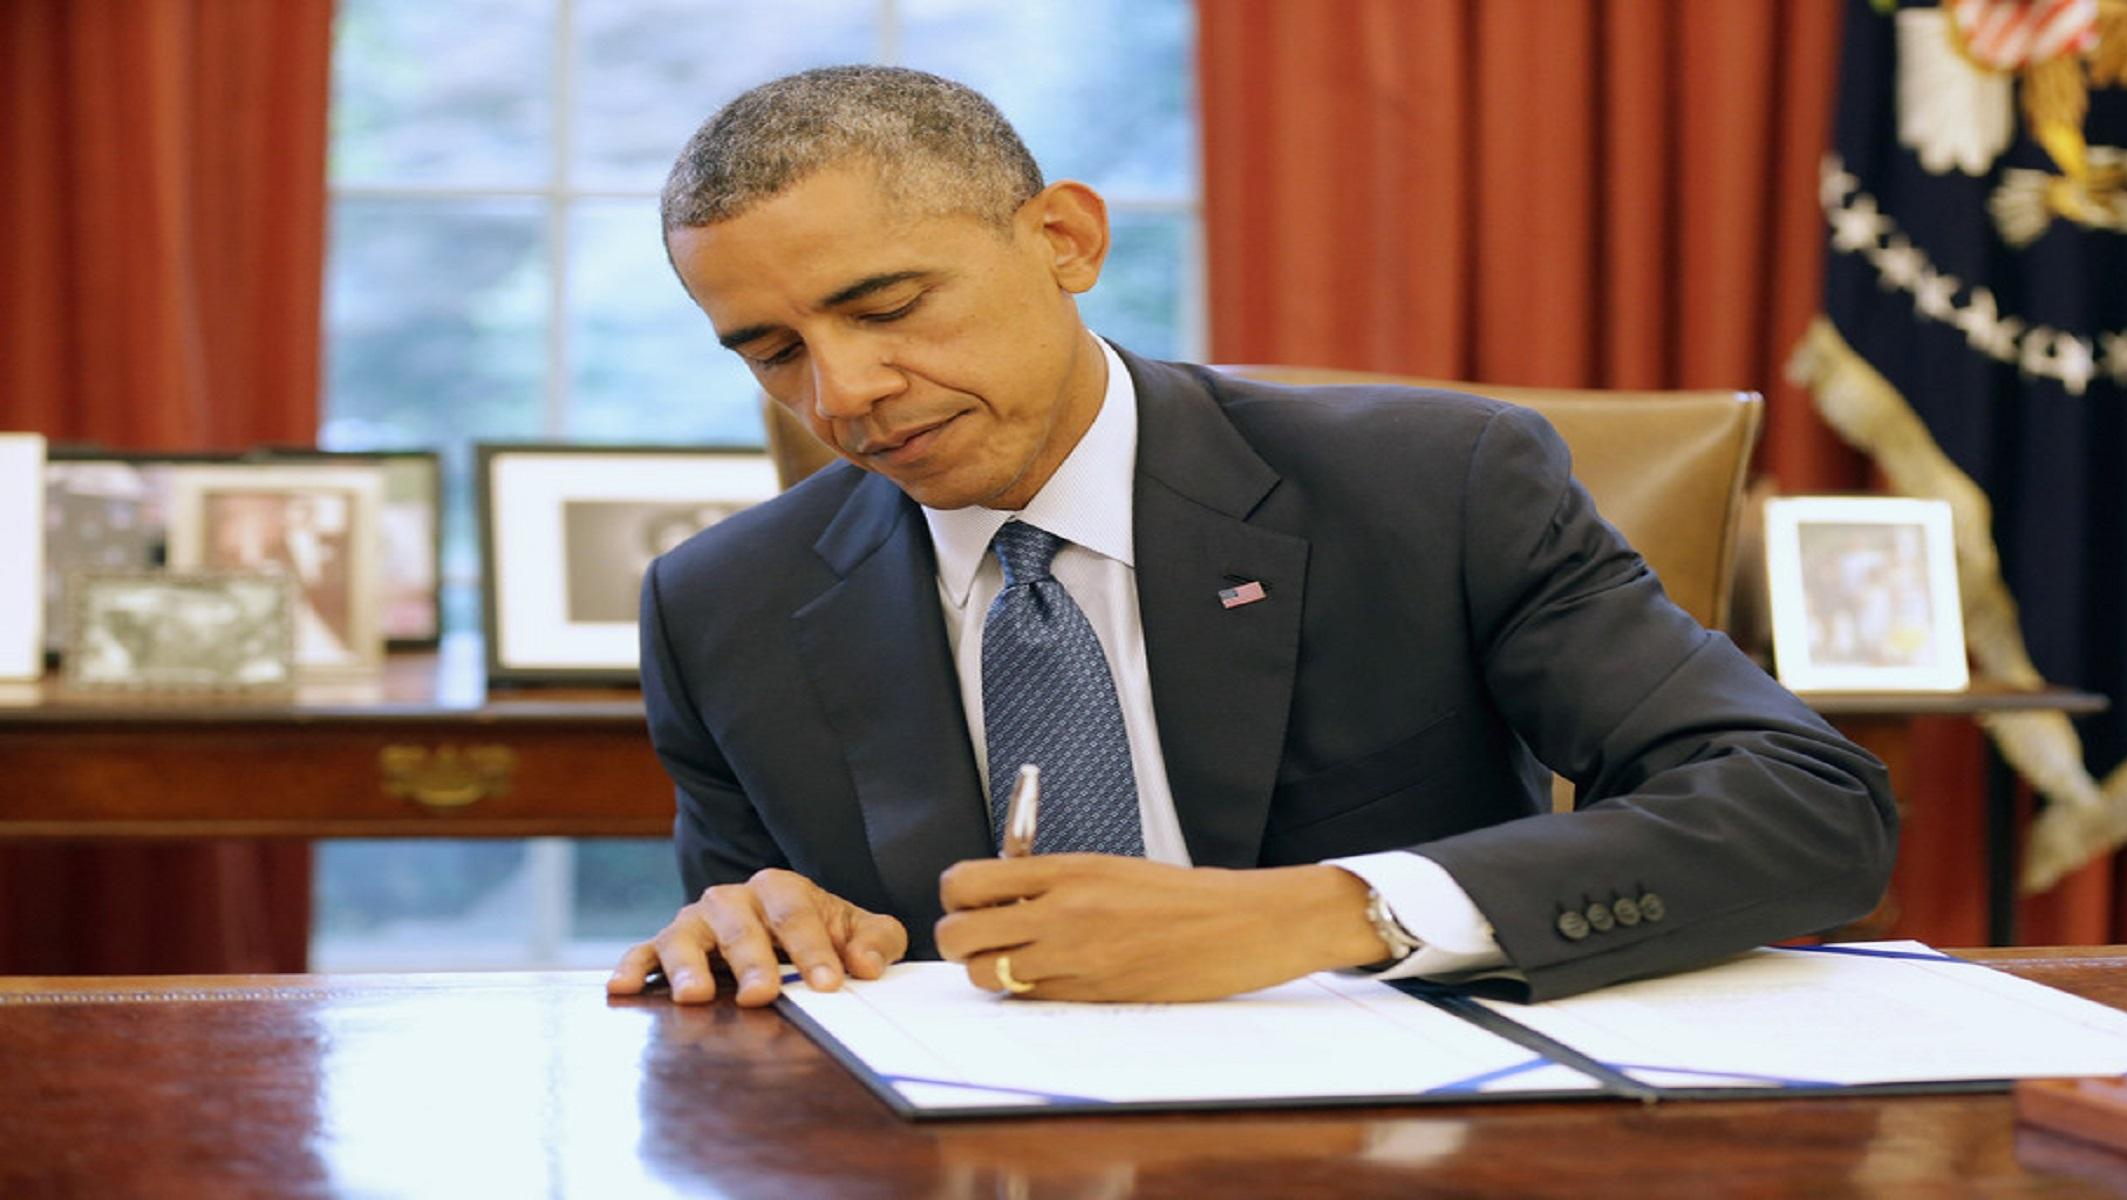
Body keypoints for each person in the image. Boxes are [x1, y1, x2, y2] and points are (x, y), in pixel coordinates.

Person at [606, 66, 1897, 1009]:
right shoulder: (720, 607)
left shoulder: (1430, 490)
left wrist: (1330, 914)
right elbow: (752, 951)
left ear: (1066, 239)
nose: (840, 395)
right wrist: (745, 929)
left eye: (886, 307)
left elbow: (1809, 810)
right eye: (772, 353)